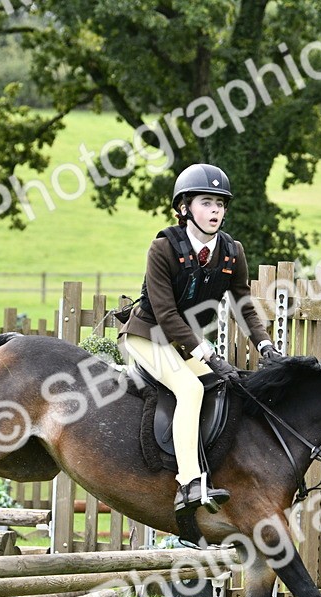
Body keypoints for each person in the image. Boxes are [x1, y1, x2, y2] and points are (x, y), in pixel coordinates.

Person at [119, 163, 278, 514]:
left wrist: (266, 345)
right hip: (148, 337)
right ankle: (188, 483)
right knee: (190, 389)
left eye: (220, 204)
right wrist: (206, 350)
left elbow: (244, 306)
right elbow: (166, 315)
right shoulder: (162, 248)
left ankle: (215, 469)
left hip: (180, 342)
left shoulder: (231, 252)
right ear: (184, 208)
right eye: (207, 202)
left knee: (228, 385)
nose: (216, 211)